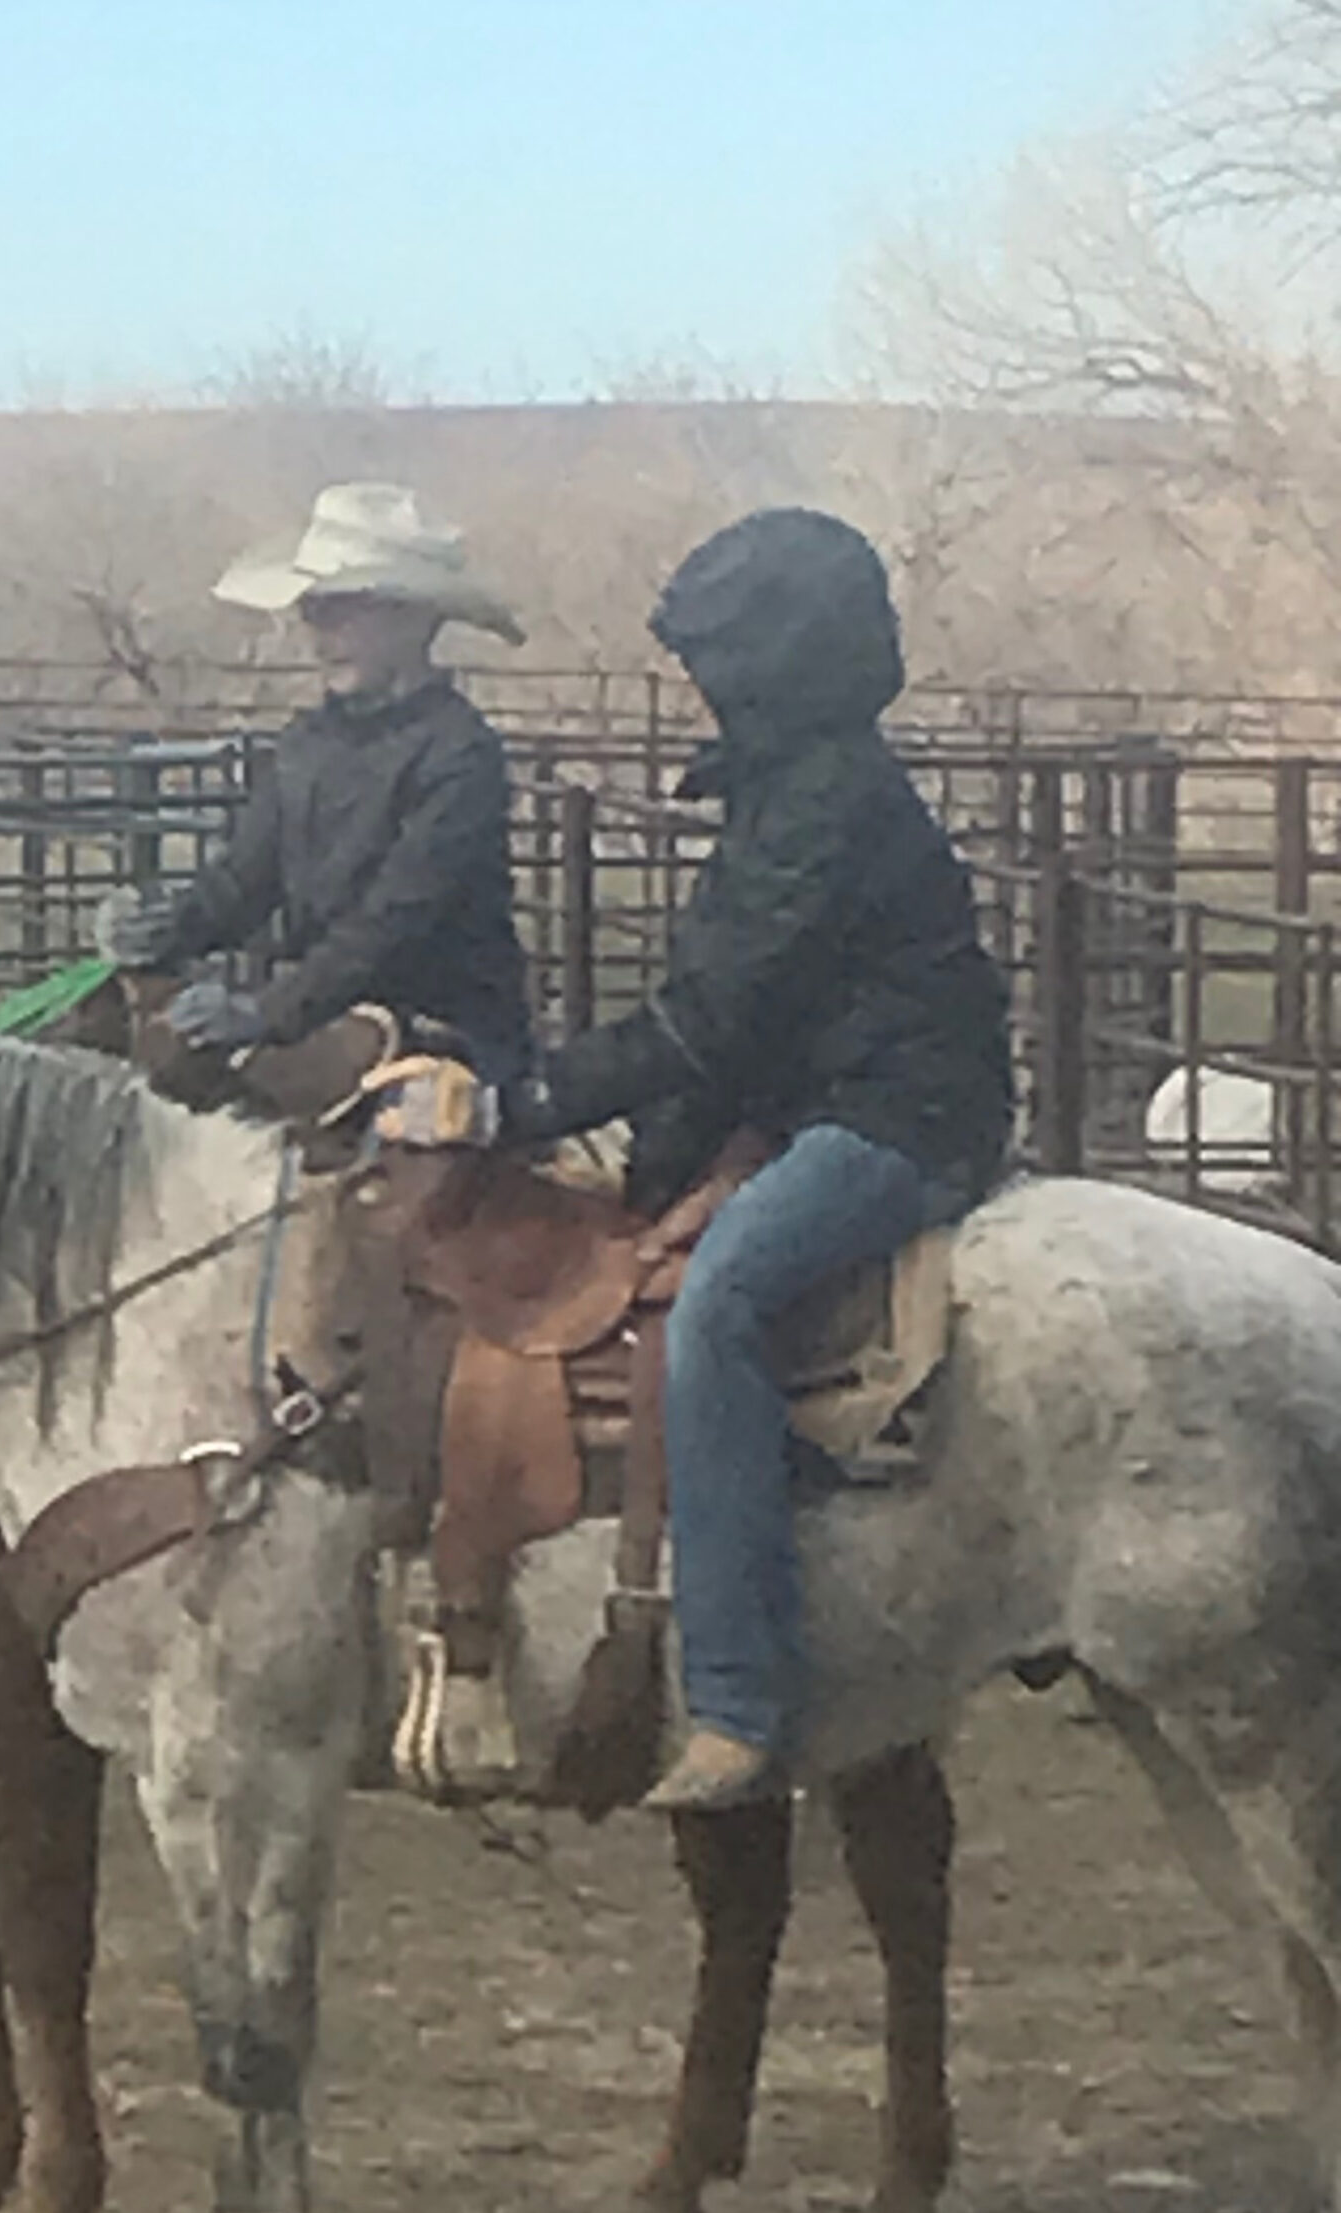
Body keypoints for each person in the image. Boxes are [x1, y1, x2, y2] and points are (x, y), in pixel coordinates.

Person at [503, 507, 1014, 1812]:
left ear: (775, 663)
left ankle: (739, 1701)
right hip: (821, 1101)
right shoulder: (796, 788)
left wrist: (532, 1097)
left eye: (720, 660)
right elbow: (743, 1020)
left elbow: (709, 1017)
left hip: (903, 1117)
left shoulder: (827, 805)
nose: (701, 685)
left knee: (720, 1302)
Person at [105, 482, 534, 1086]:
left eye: (341, 612)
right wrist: (171, 927)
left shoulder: (460, 753)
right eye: (313, 611)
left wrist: (269, 1010)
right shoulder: (308, 741)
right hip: (327, 1020)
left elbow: (396, 918)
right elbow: (246, 876)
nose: (318, 633)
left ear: (410, 617)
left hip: (450, 1034)